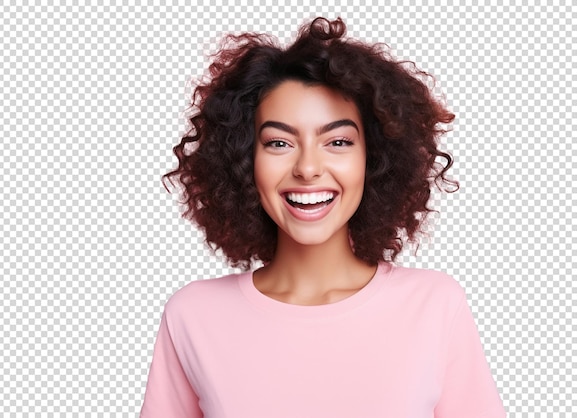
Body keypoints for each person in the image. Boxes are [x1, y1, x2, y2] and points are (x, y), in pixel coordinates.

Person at [140, 17, 505, 418]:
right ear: (245, 160)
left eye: (338, 142)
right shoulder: (194, 315)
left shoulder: (434, 306)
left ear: (374, 159)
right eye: (279, 142)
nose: (308, 168)